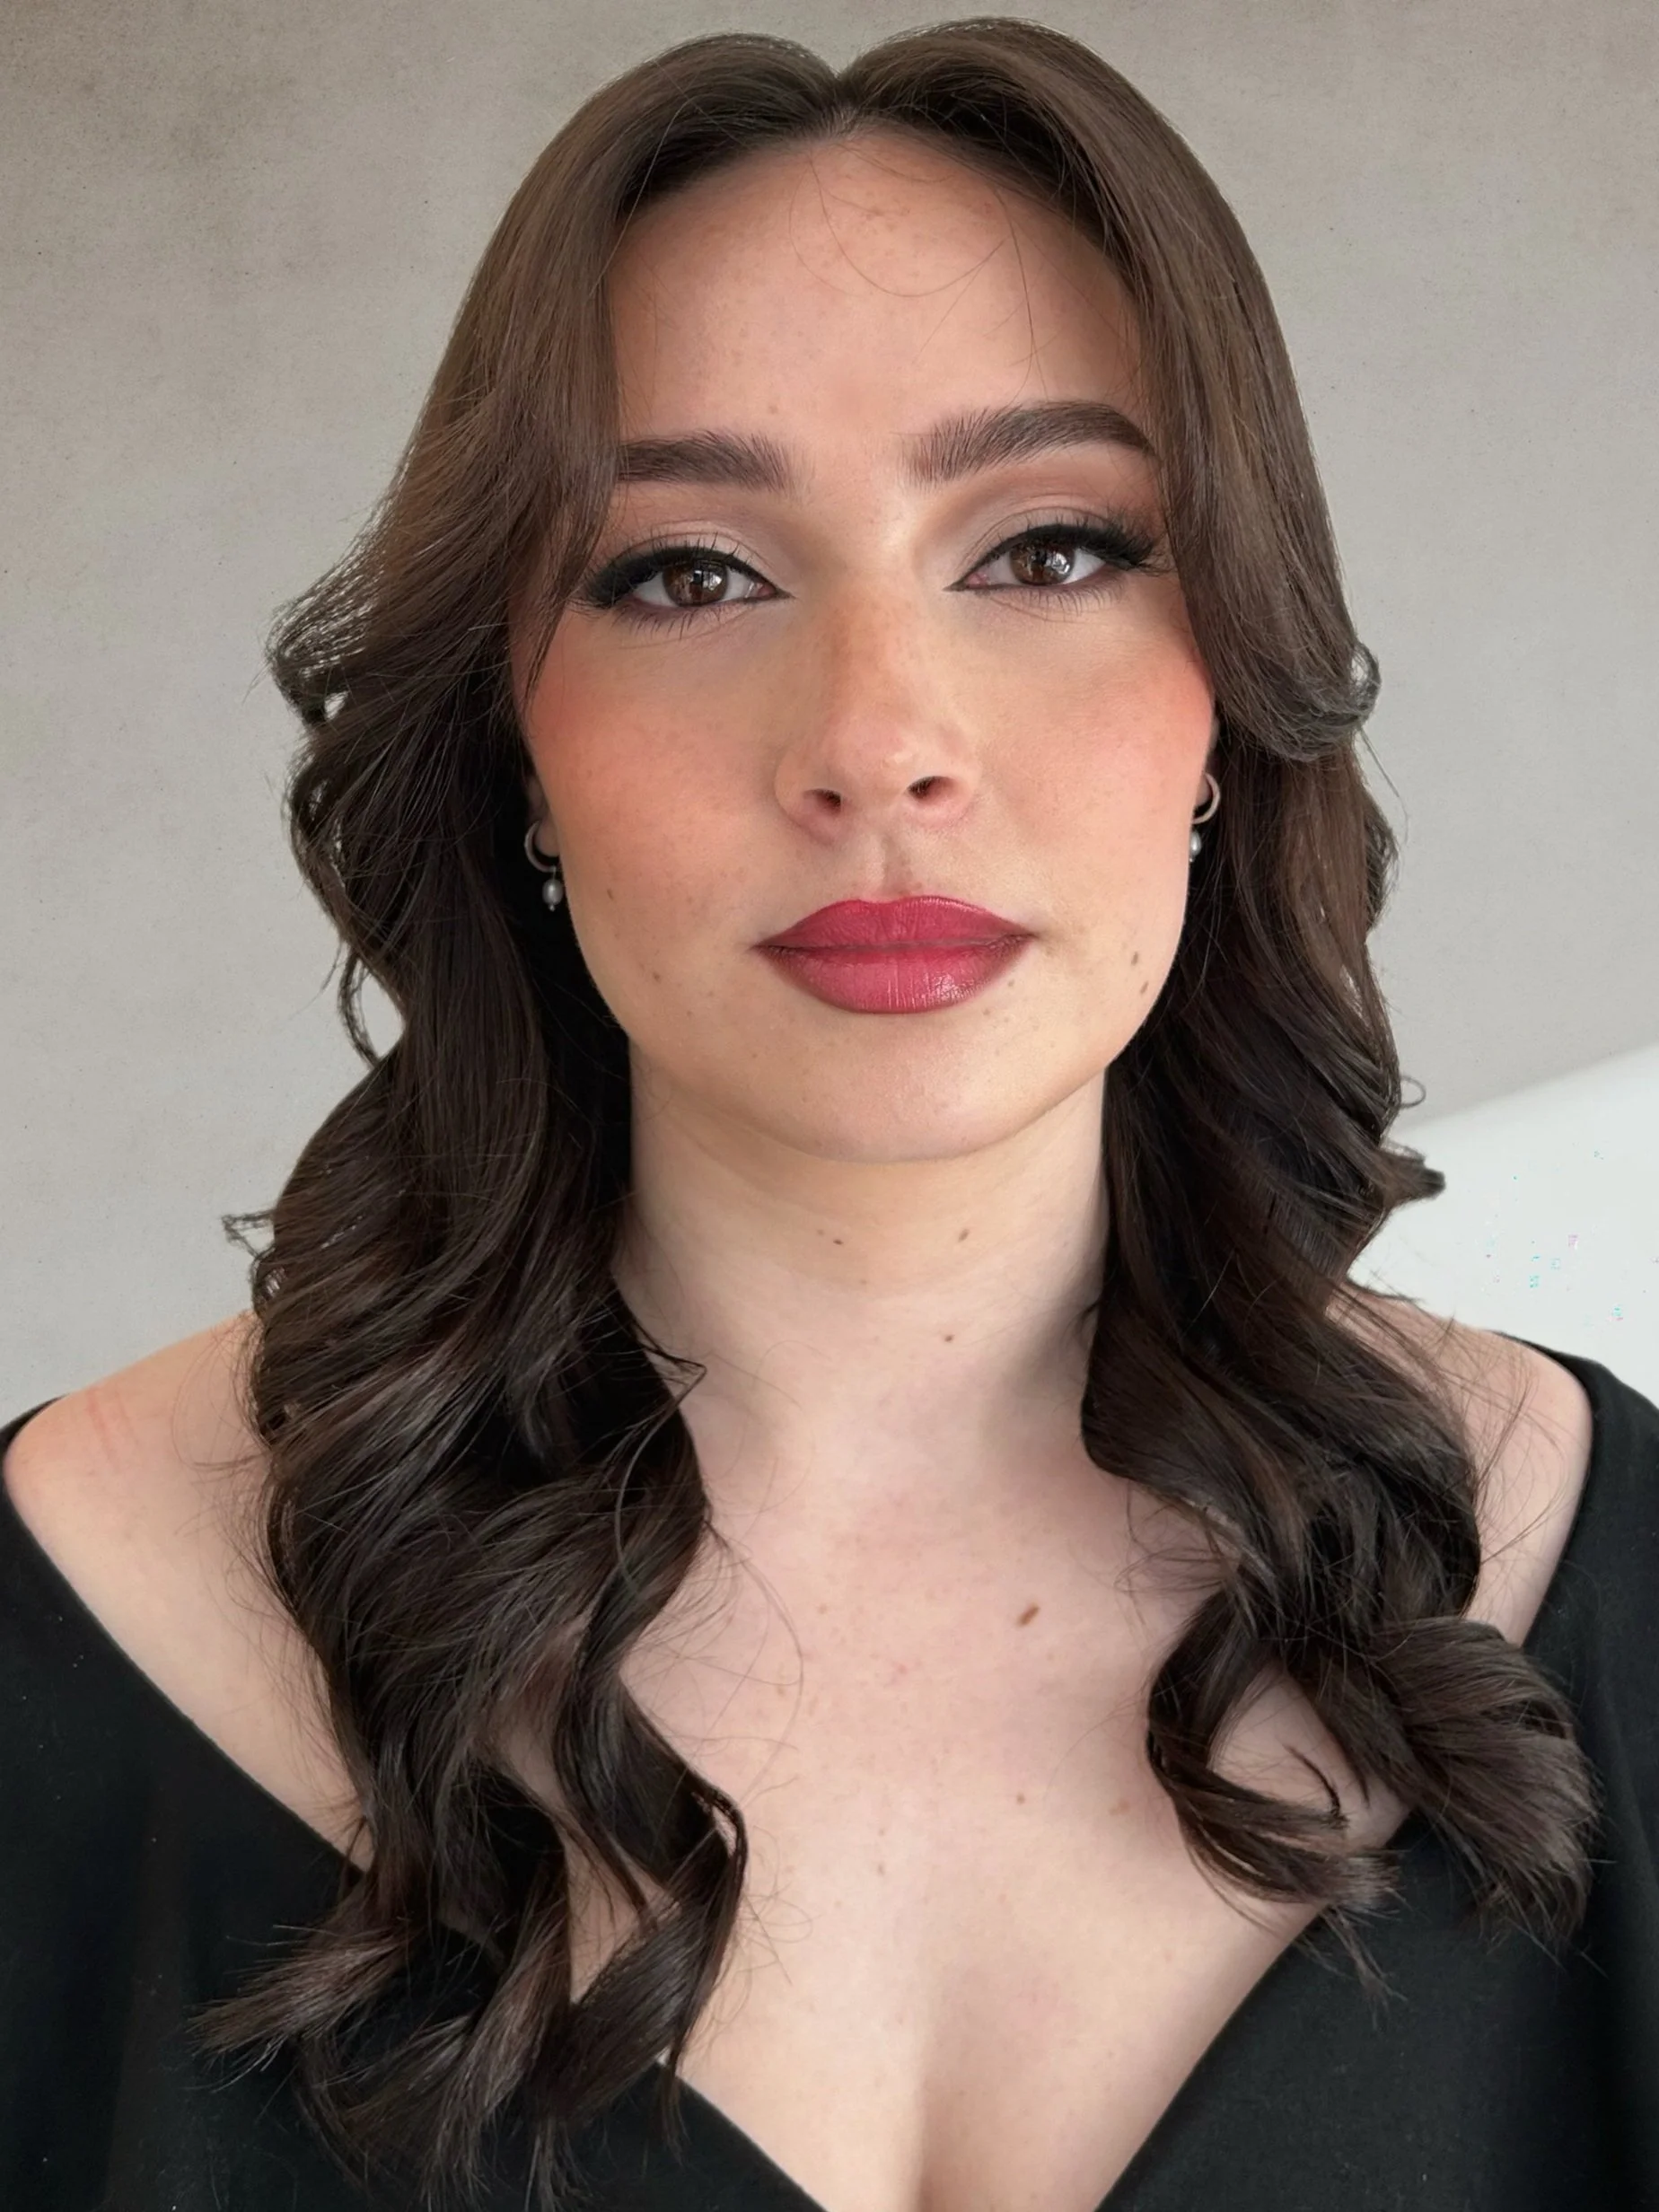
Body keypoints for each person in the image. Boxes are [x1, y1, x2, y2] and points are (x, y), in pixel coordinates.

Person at [3, 19, 1653, 2212]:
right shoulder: (65, 1621)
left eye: (1051, 545)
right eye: (689, 570)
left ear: (1229, 697)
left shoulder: (1607, 1577)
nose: (879, 740)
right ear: (514, 740)